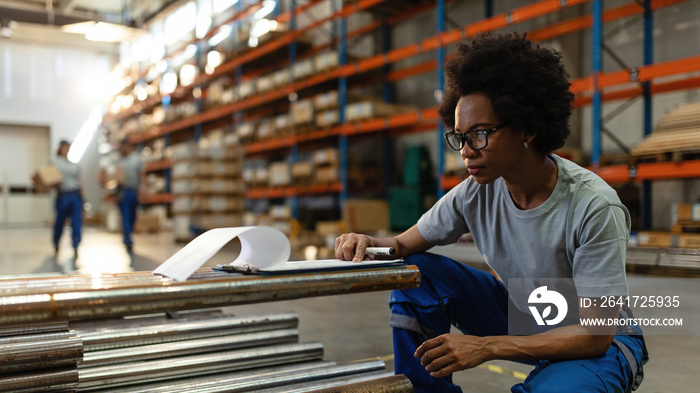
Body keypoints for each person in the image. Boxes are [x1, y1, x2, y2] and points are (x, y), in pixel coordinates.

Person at [334, 32, 648, 393]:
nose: (466, 151)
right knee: (419, 273)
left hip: (600, 343)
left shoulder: (593, 206)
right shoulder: (475, 192)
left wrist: (487, 346)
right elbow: (402, 245)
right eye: (460, 137)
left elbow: (596, 336)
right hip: (528, 315)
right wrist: (366, 243)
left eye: (480, 134)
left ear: (527, 127)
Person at [52, 140, 82, 258]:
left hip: (75, 195)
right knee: (60, 221)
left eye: (68, 147)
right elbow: (48, 176)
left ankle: (75, 245)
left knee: (76, 222)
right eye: (64, 147)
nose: (66, 150)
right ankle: (56, 242)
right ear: (60, 148)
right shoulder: (54, 162)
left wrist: (82, 195)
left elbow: (79, 179)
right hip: (63, 195)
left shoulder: (73, 164)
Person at [116, 138, 145, 254]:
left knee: (133, 216)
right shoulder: (118, 161)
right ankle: (128, 239)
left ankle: (127, 235)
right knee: (126, 216)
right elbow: (112, 176)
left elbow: (141, 175)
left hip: (134, 191)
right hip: (123, 192)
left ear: (128, 146)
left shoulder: (136, 160)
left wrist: (144, 189)